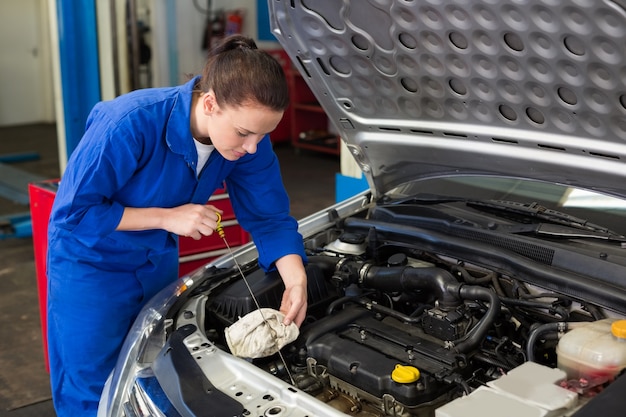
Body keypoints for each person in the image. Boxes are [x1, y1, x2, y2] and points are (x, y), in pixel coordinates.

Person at [46, 35, 308, 416]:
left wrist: (296, 278)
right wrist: (167, 217)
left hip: (155, 264)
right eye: (244, 133)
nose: (253, 147)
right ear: (209, 103)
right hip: (92, 267)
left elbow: (269, 216)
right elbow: (73, 213)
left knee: (149, 371)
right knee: (92, 388)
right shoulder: (129, 122)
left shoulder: (247, 141)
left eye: (264, 135)